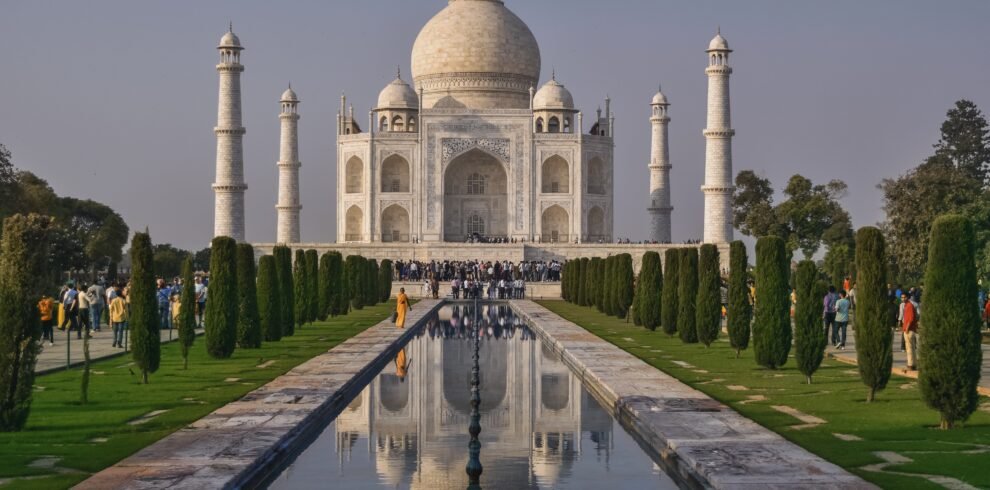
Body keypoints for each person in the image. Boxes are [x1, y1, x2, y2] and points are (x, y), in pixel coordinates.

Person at [901, 292, 919, 370]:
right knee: (911, 347)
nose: (903, 299)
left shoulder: (909, 306)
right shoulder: (906, 305)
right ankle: (914, 364)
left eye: (904, 297)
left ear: (908, 297)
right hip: (909, 329)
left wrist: (907, 328)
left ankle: (910, 364)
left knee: (909, 348)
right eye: (902, 297)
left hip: (909, 330)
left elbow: (911, 319)